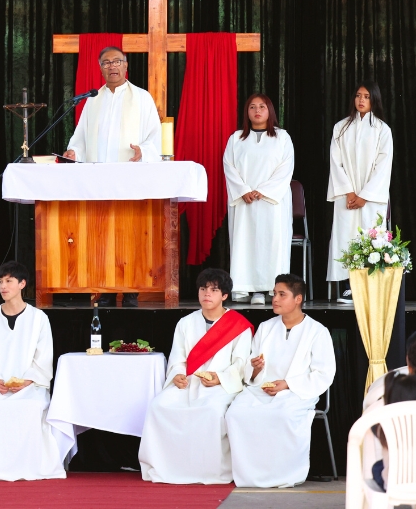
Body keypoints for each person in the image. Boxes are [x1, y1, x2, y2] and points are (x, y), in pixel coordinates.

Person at [63, 46, 162, 308]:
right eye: (106, 63)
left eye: (117, 61)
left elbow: (155, 136)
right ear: (100, 68)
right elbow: (81, 137)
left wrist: (145, 151)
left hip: (129, 179)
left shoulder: (141, 98)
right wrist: (74, 151)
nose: (112, 66)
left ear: (126, 65)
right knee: (101, 236)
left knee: (128, 234)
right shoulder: (92, 100)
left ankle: (130, 290)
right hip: (98, 181)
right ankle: (104, 289)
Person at [138, 268, 253, 484]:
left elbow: (241, 364)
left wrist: (219, 378)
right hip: (188, 383)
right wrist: (178, 375)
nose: (207, 294)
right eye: (203, 289)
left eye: (214, 290)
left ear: (225, 296)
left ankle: (209, 472)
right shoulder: (186, 323)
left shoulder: (238, 326)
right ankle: (166, 468)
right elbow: (177, 358)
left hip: (220, 386)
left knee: (212, 410)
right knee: (158, 406)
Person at [225, 273, 336, 488]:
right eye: (274, 293)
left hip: (296, 393)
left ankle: (282, 474)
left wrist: (288, 384)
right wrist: (255, 369)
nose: (275, 299)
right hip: (260, 390)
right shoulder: (266, 327)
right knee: (236, 413)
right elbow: (251, 368)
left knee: (282, 415)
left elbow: (324, 373)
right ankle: (249, 475)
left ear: (298, 299)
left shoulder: (317, 332)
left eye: (281, 294)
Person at [0, 261, 65, 481]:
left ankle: (28, 465)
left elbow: (44, 358)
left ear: (22, 284)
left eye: (9, 281)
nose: (3, 286)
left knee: (31, 406)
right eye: (0, 281)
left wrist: (27, 381)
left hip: (30, 385)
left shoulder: (39, 318)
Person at [223, 93, 294, 305]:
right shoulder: (236, 138)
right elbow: (229, 166)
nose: (257, 111)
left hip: (272, 202)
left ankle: (273, 290)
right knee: (245, 242)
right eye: (252, 107)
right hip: (245, 202)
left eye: (262, 106)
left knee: (271, 243)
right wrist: (244, 190)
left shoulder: (282, 137)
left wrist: (263, 190)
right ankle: (246, 289)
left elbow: (285, 168)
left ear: (269, 110)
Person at [326, 81, 394, 303]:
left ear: (374, 99)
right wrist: (348, 191)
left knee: (369, 237)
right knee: (347, 238)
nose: (361, 100)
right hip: (347, 196)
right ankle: (348, 287)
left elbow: (383, 166)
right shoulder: (341, 127)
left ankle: (371, 286)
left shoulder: (382, 130)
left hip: (371, 197)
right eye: (358, 95)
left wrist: (364, 194)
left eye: (366, 96)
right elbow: (336, 162)